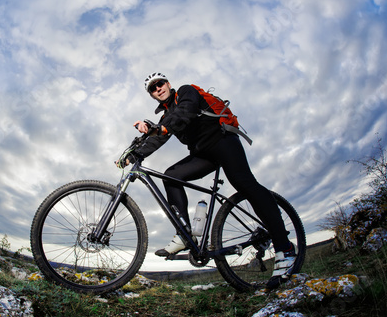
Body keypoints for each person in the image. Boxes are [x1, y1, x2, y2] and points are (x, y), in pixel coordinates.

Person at [122, 72, 297, 289]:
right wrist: (134, 155)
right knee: (172, 176)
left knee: (244, 183)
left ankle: (285, 247)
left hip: (222, 140)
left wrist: (161, 127)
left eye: (160, 84)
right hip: (203, 153)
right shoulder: (166, 115)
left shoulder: (186, 92)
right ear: (152, 96)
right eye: (153, 88)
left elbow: (185, 113)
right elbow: (158, 137)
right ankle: (185, 236)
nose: (158, 89)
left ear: (168, 84)